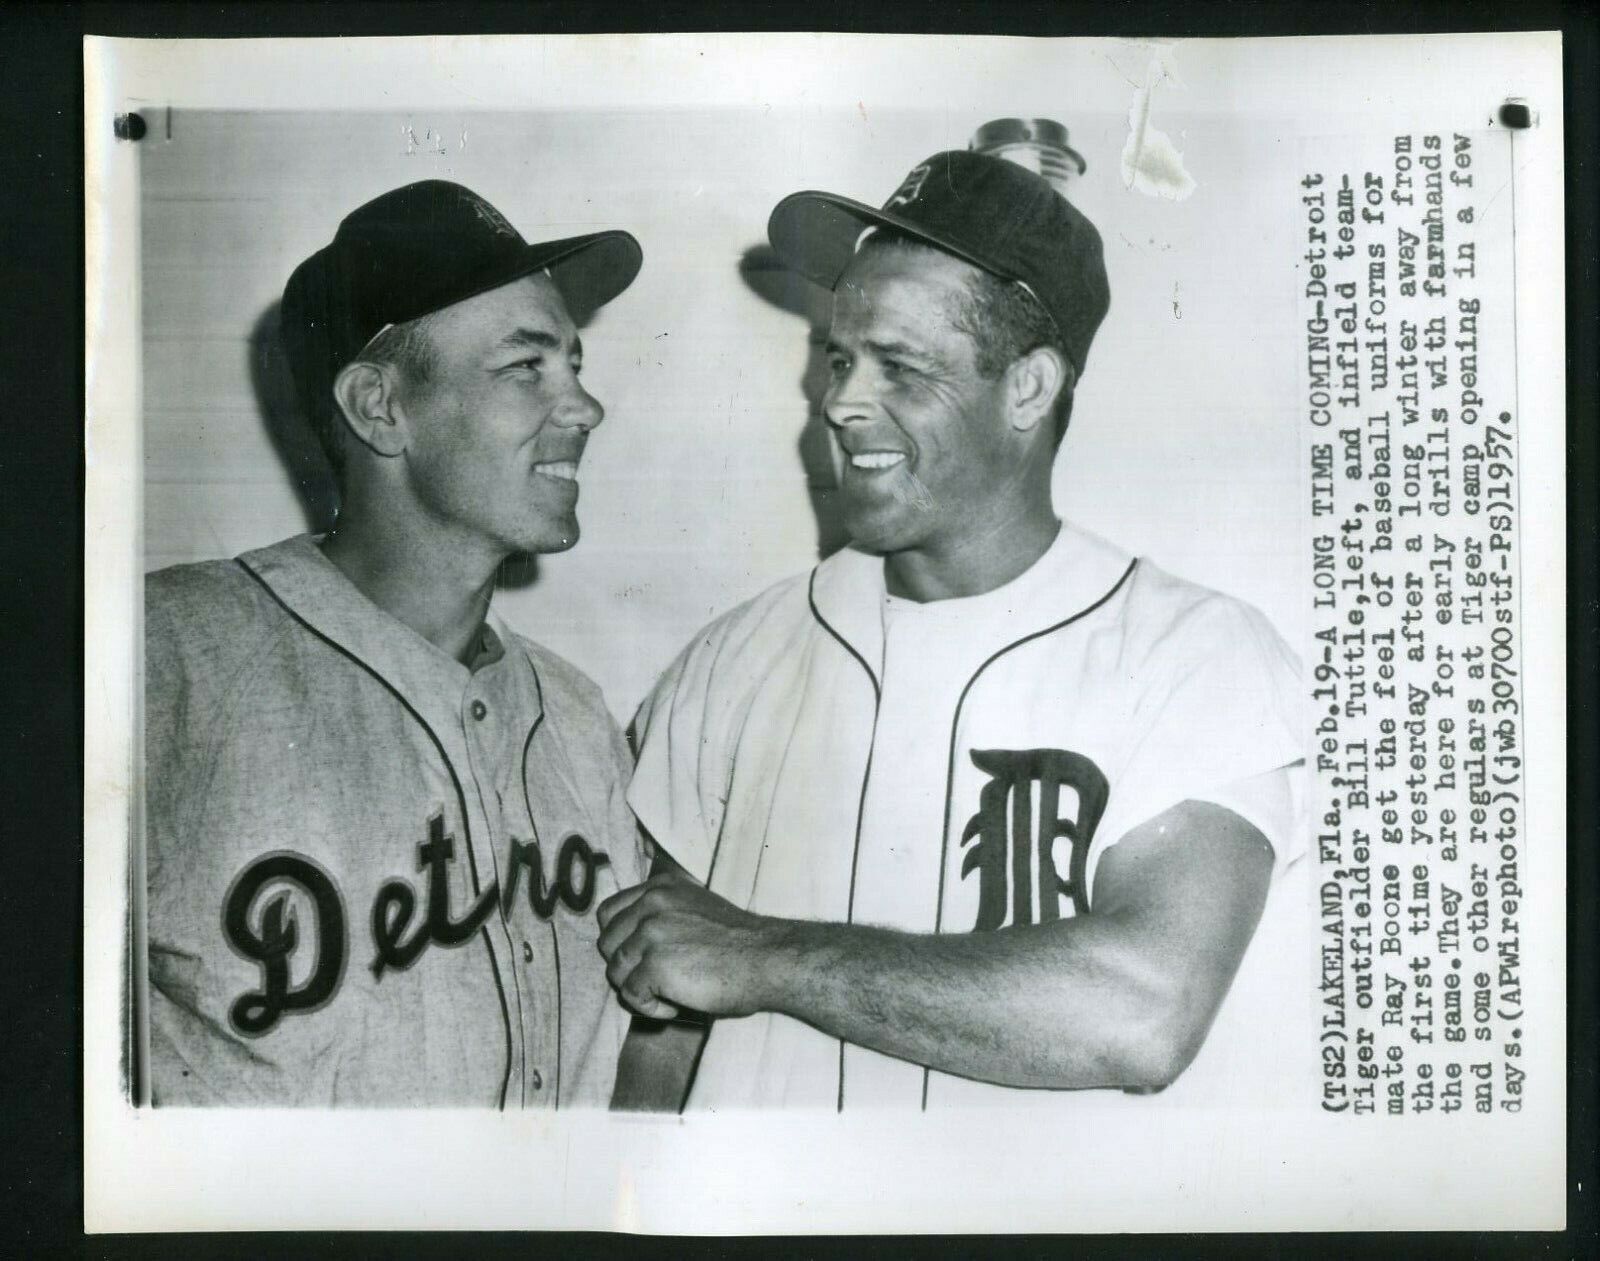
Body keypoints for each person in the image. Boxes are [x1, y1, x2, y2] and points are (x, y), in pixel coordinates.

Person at [601, 150, 1307, 1111]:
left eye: (900, 365)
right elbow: (662, 1039)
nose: (840, 402)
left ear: (1028, 389)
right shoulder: (733, 658)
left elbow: (1145, 1009)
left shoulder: (1194, 654)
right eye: (842, 358)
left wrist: (761, 955)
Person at [143, 180, 647, 1106]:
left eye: (574, 365)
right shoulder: (162, 661)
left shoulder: (578, 722)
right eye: (526, 367)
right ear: (379, 407)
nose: (584, 407)